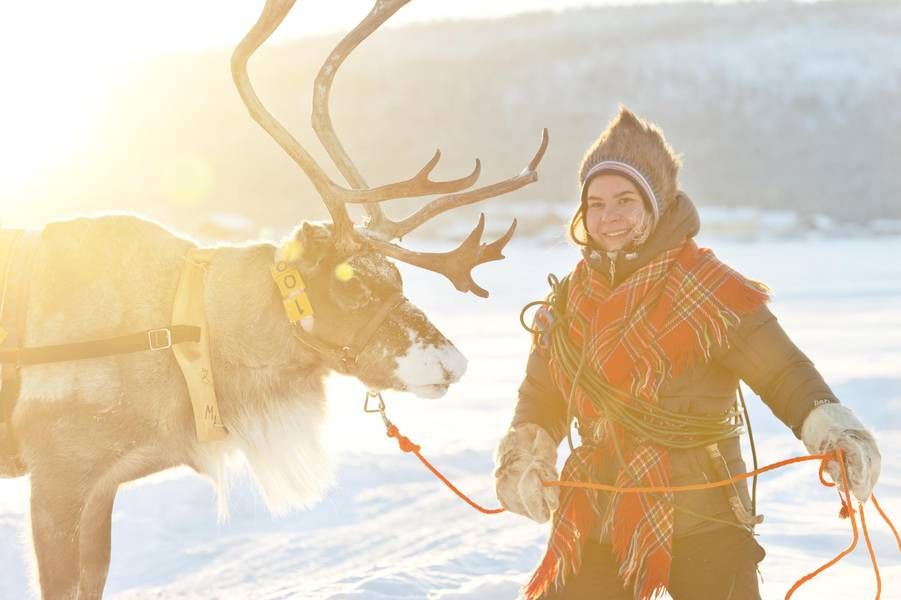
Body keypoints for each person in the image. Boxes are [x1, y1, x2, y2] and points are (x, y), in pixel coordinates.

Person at [493, 107, 882, 600]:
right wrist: (527, 455)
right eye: (595, 203)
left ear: (655, 205)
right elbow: (543, 394)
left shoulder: (710, 290)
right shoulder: (569, 299)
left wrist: (835, 433)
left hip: (705, 516)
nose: (608, 216)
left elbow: (783, 372)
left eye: (625, 200)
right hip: (597, 510)